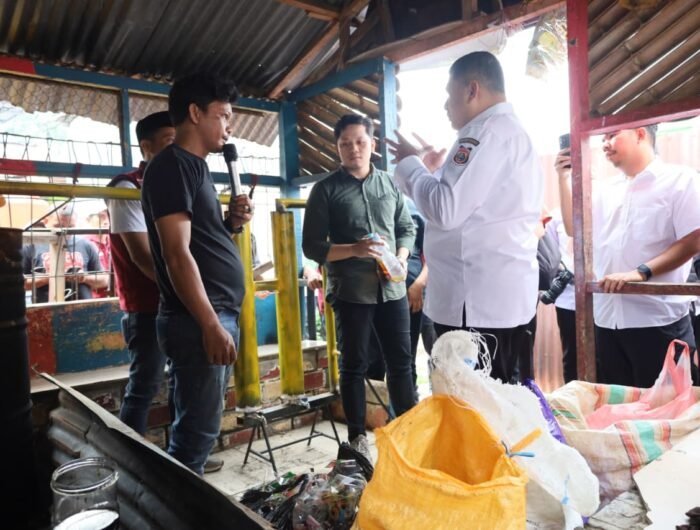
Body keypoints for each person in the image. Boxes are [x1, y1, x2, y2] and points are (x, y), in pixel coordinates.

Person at [387, 51, 543, 384]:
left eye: (450, 94)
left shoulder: (484, 134)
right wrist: (433, 172)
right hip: (492, 301)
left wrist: (412, 166)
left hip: (476, 307)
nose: (446, 105)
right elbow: (470, 207)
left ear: (472, 90)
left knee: (473, 403)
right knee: (500, 400)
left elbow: (445, 209)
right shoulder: (506, 133)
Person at [141, 74, 254, 475]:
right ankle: (179, 505)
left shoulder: (197, 168)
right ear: (195, 113)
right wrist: (209, 324)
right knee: (195, 438)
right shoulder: (171, 167)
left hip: (212, 314)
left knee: (197, 434)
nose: (229, 126)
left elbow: (203, 242)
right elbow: (176, 254)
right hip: (197, 320)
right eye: (223, 115)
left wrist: (231, 223)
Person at [302, 114, 417, 460]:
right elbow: (312, 246)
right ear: (337, 148)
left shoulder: (389, 184)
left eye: (360, 142)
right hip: (352, 292)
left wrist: (400, 257)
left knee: (401, 363)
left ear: (373, 144)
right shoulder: (325, 190)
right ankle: (357, 441)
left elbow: (406, 228)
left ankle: (408, 433)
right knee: (354, 365)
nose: (354, 149)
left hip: (392, 289)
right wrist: (354, 250)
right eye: (346, 143)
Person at [556, 125, 700, 387]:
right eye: (604, 137)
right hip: (606, 322)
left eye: (613, 135)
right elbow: (573, 230)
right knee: (618, 406)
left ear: (641, 133)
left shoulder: (681, 180)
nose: (605, 143)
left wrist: (641, 272)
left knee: (671, 408)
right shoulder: (605, 190)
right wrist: (564, 178)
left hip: (657, 321)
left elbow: (694, 239)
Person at [106, 111, 174, 435]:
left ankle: (180, 455)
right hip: (148, 306)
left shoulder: (179, 184)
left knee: (183, 380)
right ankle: (128, 456)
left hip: (179, 301)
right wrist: (186, 292)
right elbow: (142, 257)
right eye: (169, 141)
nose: (178, 149)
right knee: (145, 384)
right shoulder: (127, 187)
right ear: (146, 146)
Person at [23, 205, 109, 302]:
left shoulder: (86, 245)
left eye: (70, 227)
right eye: (57, 226)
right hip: (45, 309)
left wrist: (84, 277)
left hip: (83, 308)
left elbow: (104, 280)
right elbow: (20, 284)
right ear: (46, 221)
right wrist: (48, 278)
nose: (64, 232)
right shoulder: (31, 246)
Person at [405, 197, 436, 395]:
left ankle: (439, 399)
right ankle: (410, 401)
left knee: (437, 352)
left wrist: (419, 284)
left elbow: (433, 254)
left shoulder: (416, 208)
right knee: (405, 356)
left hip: (425, 293)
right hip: (395, 296)